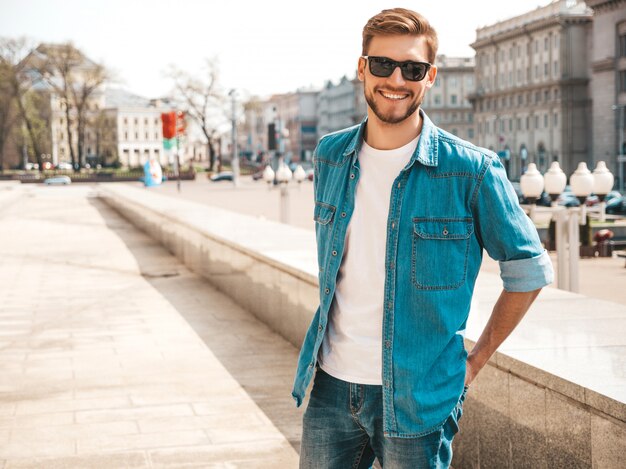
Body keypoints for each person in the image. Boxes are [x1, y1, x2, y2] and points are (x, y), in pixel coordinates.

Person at [291, 7, 554, 469]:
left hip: (420, 401)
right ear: (362, 68)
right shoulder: (330, 155)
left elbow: (528, 270)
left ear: (429, 76)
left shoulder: (471, 169)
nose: (396, 78)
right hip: (330, 387)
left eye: (412, 68)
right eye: (382, 64)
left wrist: (473, 363)